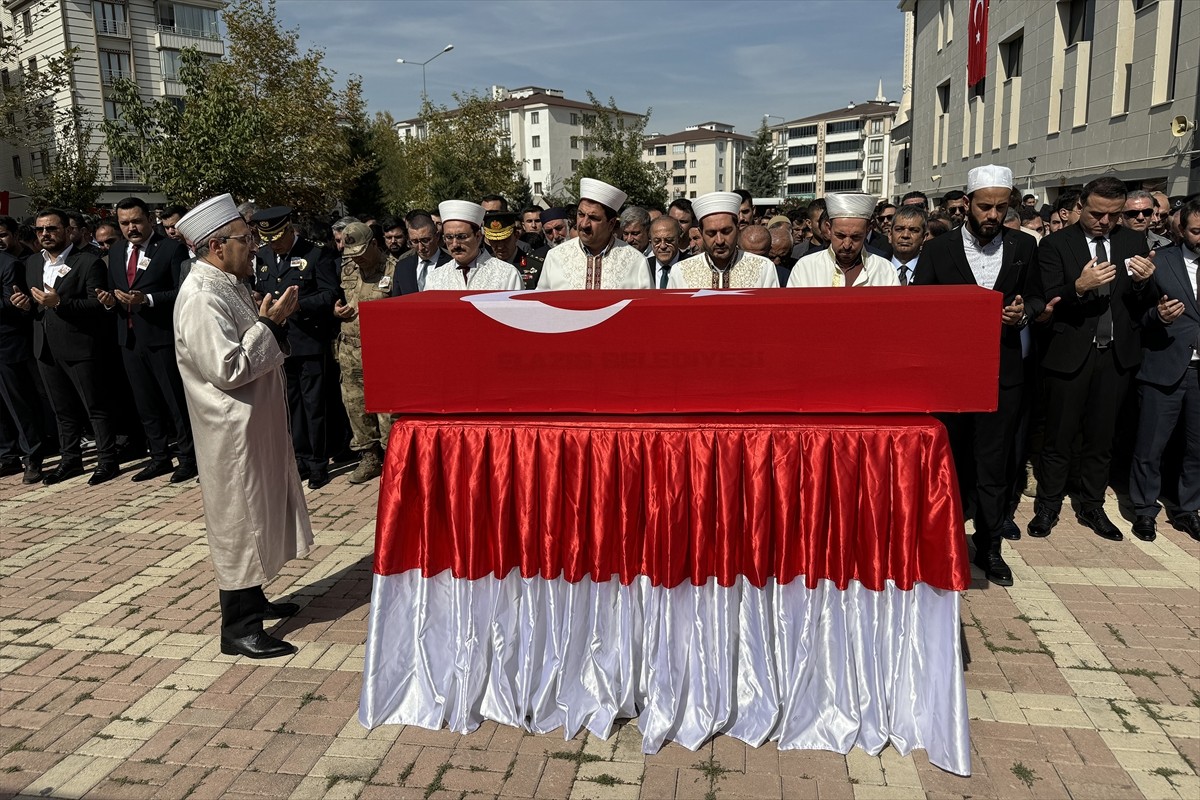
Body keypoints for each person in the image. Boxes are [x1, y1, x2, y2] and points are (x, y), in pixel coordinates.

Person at [173, 193, 311, 659]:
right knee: (239, 523)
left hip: (252, 424)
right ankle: (239, 628)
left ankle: (254, 598)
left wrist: (272, 321)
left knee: (259, 515)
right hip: (229, 433)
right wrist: (268, 325)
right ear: (216, 246)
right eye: (244, 239)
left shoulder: (225, 281)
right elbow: (227, 367)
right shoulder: (200, 296)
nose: (253, 246)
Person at [914, 165, 1042, 586]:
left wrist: (1024, 313)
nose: (992, 215)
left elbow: (1038, 296)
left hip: (1002, 374)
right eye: (984, 206)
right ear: (966, 205)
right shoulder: (938, 250)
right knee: (948, 464)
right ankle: (943, 542)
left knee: (995, 465)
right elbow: (920, 310)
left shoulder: (1024, 245)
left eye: (1000, 208)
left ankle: (989, 545)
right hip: (950, 376)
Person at [1026, 177, 1157, 541]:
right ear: (1081, 205)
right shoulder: (1055, 244)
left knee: (1102, 437)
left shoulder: (1131, 241)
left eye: (1113, 215)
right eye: (1097, 213)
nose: (1104, 221)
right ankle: (1048, 504)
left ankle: (1092, 504)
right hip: (1069, 353)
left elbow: (1142, 302)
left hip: (1115, 354)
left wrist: (1147, 282)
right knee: (1059, 435)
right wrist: (1077, 288)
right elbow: (1045, 297)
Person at [12, 209, 119, 485]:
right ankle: (71, 460)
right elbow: (36, 306)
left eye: (51, 229)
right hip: (45, 348)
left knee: (95, 407)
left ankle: (108, 460)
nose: (45, 234)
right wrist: (25, 306)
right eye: (40, 230)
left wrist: (60, 303)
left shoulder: (87, 262)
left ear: (67, 231)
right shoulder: (33, 263)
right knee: (62, 411)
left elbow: (97, 304)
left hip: (80, 347)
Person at [95, 196, 195, 483]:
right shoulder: (116, 254)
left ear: (150, 219)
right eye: (124, 223)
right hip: (128, 338)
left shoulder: (170, 249)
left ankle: (189, 457)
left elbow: (183, 292)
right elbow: (115, 291)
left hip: (161, 337)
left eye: (136, 221)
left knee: (174, 401)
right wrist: (107, 300)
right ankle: (160, 457)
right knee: (146, 403)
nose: (131, 228)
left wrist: (148, 299)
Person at [251, 206, 341, 489]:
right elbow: (263, 286)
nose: (274, 243)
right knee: (291, 404)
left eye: (277, 236)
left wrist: (299, 304)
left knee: (315, 404)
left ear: (290, 229)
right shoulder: (264, 256)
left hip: (310, 339)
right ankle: (300, 458)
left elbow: (330, 294)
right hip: (280, 341)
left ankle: (318, 461)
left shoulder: (316, 254)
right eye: (268, 238)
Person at [1128, 198, 1200, 541]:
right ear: (1180, 229)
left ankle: (1188, 508)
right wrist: (1158, 315)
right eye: (1197, 231)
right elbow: (1137, 316)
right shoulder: (1161, 262)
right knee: (1150, 445)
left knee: (1197, 447)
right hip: (1164, 365)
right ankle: (1144, 510)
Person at [331, 222, 396, 484]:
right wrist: (336, 311)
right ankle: (368, 457)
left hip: (382, 351)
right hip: (350, 349)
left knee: (387, 410)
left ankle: (392, 456)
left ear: (374, 244)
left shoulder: (394, 268)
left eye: (361, 250)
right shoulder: (347, 268)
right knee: (356, 405)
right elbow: (338, 299)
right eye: (351, 252)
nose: (357, 257)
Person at [536, 179, 653, 290]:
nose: (584, 224)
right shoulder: (555, 257)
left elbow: (646, 307)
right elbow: (541, 306)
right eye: (581, 215)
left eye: (593, 218)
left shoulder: (636, 261)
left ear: (611, 224)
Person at [668, 192, 778, 289]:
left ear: (737, 227)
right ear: (701, 233)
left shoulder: (763, 268)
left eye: (726, 232)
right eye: (711, 233)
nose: (719, 241)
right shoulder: (680, 271)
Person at [0, 246, 45, 483]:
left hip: (7, 347)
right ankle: (7, 456)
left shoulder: (9, 264)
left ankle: (33, 457)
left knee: (19, 405)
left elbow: (13, 303)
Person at [788, 194, 900, 288]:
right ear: (828, 229)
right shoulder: (806, 267)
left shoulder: (884, 269)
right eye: (840, 236)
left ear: (868, 231)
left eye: (855, 237)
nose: (847, 245)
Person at [426, 201, 524, 290]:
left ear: (478, 236)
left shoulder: (507, 274)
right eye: (449, 237)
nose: (455, 244)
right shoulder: (436, 278)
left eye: (461, 237)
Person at [389, 211, 448, 295]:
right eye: (415, 241)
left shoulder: (452, 263)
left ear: (437, 236)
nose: (421, 248)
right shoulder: (402, 267)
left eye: (425, 240)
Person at [485, 210, 544, 289]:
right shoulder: (484, 267)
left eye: (505, 240)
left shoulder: (536, 266)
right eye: (494, 241)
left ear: (516, 236)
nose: (500, 246)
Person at [889, 205, 927, 285]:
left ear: (924, 238)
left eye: (914, 230)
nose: (905, 235)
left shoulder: (932, 270)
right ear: (890, 235)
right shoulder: (876, 268)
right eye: (899, 229)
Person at [647, 215, 684, 288]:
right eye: (657, 241)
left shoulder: (691, 265)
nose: (663, 246)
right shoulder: (644, 267)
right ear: (650, 242)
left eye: (669, 240)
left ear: (678, 240)